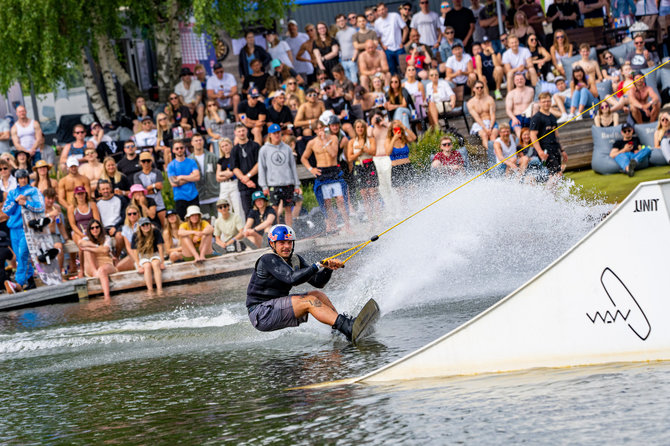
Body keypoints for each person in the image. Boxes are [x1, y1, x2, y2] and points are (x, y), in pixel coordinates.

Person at [245, 224, 354, 339]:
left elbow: (318, 282)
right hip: (261, 313)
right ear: (272, 244)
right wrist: (317, 265)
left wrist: (328, 269)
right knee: (309, 301)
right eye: (282, 243)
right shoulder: (268, 259)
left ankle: (339, 331)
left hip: (276, 306)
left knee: (317, 295)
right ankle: (347, 326)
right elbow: (292, 278)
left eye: (290, 242)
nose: (287, 246)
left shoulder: (295, 259)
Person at [301, 121, 350, 233]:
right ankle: (333, 225)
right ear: (315, 131)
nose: (320, 130)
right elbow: (304, 158)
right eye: (318, 129)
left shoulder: (333, 138)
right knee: (327, 202)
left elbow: (333, 154)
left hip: (333, 170)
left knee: (341, 200)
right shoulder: (312, 143)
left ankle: (347, 224)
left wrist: (324, 141)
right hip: (322, 172)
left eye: (322, 127)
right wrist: (311, 169)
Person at [2, 169, 43, 293]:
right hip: (14, 229)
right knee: (20, 257)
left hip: (27, 228)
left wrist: (25, 202)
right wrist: (15, 202)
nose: (23, 180)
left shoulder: (34, 191)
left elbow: (40, 207)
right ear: (17, 180)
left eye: (25, 177)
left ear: (27, 178)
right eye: (20, 178)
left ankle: (19, 283)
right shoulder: (12, 193)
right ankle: (30, 282)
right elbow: (6, 210)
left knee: (23, 254)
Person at [258, 124, 300, 228]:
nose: (277, 135)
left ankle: (290, 230)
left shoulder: (287, 148)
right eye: (274, 133)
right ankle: (277, 230)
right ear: (270, 135)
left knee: (288, 209)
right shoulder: (264, 150)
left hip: (287, 183)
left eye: (278, 133)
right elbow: (262, 168)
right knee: (274, 209)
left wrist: (296, 185)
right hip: (273, 183)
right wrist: (264, 186)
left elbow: (292, 167)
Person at [530, 92, 568, 184]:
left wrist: (562, 150)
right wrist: (540, 151)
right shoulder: (537, 118)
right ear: (539, 103)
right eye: (544, 102)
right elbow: (533, 135)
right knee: (557, 174)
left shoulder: (552, 117)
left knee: (553, 175)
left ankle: (551, 197)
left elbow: (556, 135)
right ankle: (548, 196)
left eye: (548, 101)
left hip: (555, 148)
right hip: (545, 150)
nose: (546, 103)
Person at [347, 119, 380, 222]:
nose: (360, 129)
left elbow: (374, 152)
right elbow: (350, 157)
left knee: (373, 193)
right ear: (355, 129)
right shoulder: (352, 142)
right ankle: (370, 221)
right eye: (358, 127)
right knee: (364, 194)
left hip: (369, 165)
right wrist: (359, 152)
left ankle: (378, 220)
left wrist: (364, 149)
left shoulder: (370, 139)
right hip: (359, 166)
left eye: (362, 127)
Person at [79, 219, 117, 300]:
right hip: (92, 266)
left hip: (106, 263)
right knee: (86, 251)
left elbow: (105, 250)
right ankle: (94, 272)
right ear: (89, 230)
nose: (95, 229)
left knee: (102, 270)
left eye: (97, 227)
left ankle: (107, 297)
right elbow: (80, 243)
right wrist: (96, 247)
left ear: (100, 228)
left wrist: (92, 248)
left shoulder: (106, 238)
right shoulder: (86, 239)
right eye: (92, 228)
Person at [231, 124, 261, 219]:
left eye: (243, 130)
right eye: (239, 131)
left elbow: (259, 164)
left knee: (261, 209)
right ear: (235, 133)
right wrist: (246, 181)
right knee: (248, 212)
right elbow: (234, 168)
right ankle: (252, 232)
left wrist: (247, 176)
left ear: (246, 131)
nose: (241, 133)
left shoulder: (255, 146)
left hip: (257, 183)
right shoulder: (234, 150)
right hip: (244, 187)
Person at [130, 217, 166, 295]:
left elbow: (160, 247)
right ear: (140, 226)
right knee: (147, 266)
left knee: (155, 264)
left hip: (154, 253)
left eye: (147, 224)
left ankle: (159, 289)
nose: (145, 226)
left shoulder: (156, 231)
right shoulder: (135, 235)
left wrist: (162, 262)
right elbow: (135, 251)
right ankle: (150, 290)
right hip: (143, 256)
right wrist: (138, 265)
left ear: (150, 224)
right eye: (143, 225)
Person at [187, 133, 219, 220]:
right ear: (192, 143)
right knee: (205, 222)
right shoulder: (189, 160)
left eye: (200, 140)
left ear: (203, 142)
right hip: (201, 196)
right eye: (196, 141)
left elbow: (218, 172)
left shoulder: (212, 157)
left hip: (215, 193)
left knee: (221, 219)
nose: (198, 142)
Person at [167, 140, 201, 219]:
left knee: (196, 221)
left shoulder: (191, 162)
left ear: (184, 149)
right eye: (177, 148)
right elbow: (174, 183)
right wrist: (190, 177)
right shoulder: (171, 165)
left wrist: (181, 177)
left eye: (181, 148)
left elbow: (197, 177)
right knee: (183, 222)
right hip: (180, 198)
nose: (179, 150)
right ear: (173, 150)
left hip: (193, 196)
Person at [375, 2, 409, 75]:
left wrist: (402, 42)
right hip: (388, 50)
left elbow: (405, 29)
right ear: (377, 12)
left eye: (383, 9)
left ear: (386, 9)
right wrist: (383, 45)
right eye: (379, 10)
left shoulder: (395, 16)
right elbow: (378, 37)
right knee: (392, 71)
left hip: (399, 48)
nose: (381, 11)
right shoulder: (377, 23)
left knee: (405, 69)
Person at [385, 120, 417, 191]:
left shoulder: (404, 138)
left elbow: (414, 138)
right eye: (394, 129)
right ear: (391, 130)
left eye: (398, 128)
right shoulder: (388, 140)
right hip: (396, 168)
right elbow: (388, 153)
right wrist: (394, 139)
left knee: (413, 191)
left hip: (407, 166)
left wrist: (403, 126)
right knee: (402, 195)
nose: (396, 130)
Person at [469, 80, 499, 148]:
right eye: (477, 88)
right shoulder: (470, 103)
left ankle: (495, 154)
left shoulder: (489, 99)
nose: (480, 89)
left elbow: (492, 114)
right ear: (473, 89)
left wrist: (490, 127)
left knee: (493, 135)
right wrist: (485, 128)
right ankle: (490, 155)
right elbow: (477, 118)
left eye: (481, 87)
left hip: (491, 122)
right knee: (484, 135)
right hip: (479, 123)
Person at [505, 72, 535, 138]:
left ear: (524, 80)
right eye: (517, 80)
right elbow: (508, 110)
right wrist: (513, 118)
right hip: (517, 117)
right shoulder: (511, 94)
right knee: (518, 130)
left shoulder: (531, 90)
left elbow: (536, 104)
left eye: (521, 79)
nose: (519, 81)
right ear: (514, 82)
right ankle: (525, 147)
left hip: (529, 116)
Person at [175, 67, 204, 131]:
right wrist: (188, 106)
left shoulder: (196, 83)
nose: (187, 76)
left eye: (188, 74)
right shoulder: (178, 86)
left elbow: (199, 96)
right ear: (182, 77)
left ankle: (199, 126)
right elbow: (181, 100)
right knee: (185, 109)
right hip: (185, 104)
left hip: (195, 103)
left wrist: (194, 105)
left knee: (200, 108)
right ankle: (188, 128)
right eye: (185, 75)